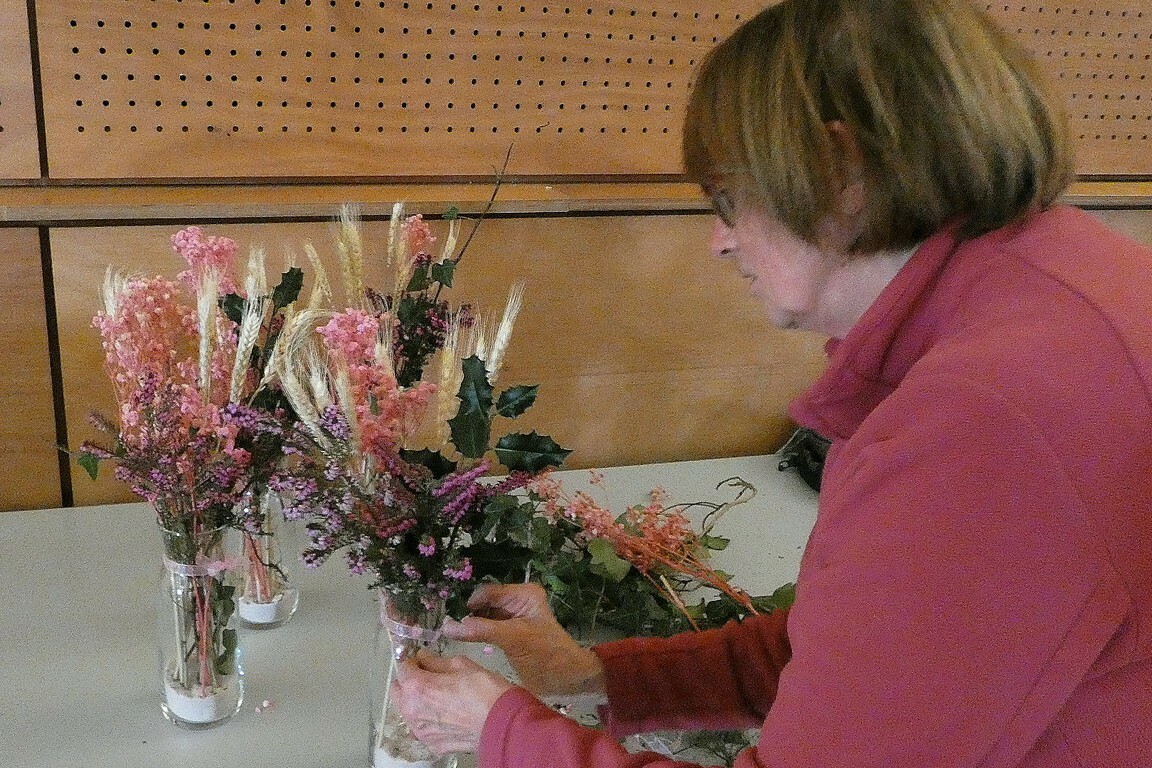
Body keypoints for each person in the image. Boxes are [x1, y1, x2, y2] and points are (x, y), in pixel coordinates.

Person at [392, 0, 1152, 765]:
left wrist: (501, 732)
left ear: (840, 172)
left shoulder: (986, 418)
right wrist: (596, 676)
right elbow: (869, 650)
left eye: (728, 200)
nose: (720, 242)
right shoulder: (1060, 285)